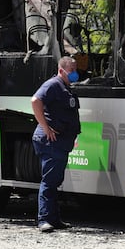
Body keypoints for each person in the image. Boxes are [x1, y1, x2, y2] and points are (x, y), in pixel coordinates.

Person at [31, 56, 81, 232]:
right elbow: (35, 101)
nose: (75, 73)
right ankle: (44, 219)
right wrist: (46, 127)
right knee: (50, 181)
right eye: (72, 70)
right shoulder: (53, 84)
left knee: (55, 180)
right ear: (62, 70)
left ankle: (54, 219)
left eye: (75, 70)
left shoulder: (65, 87)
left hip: (61, 141)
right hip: (51, 141)